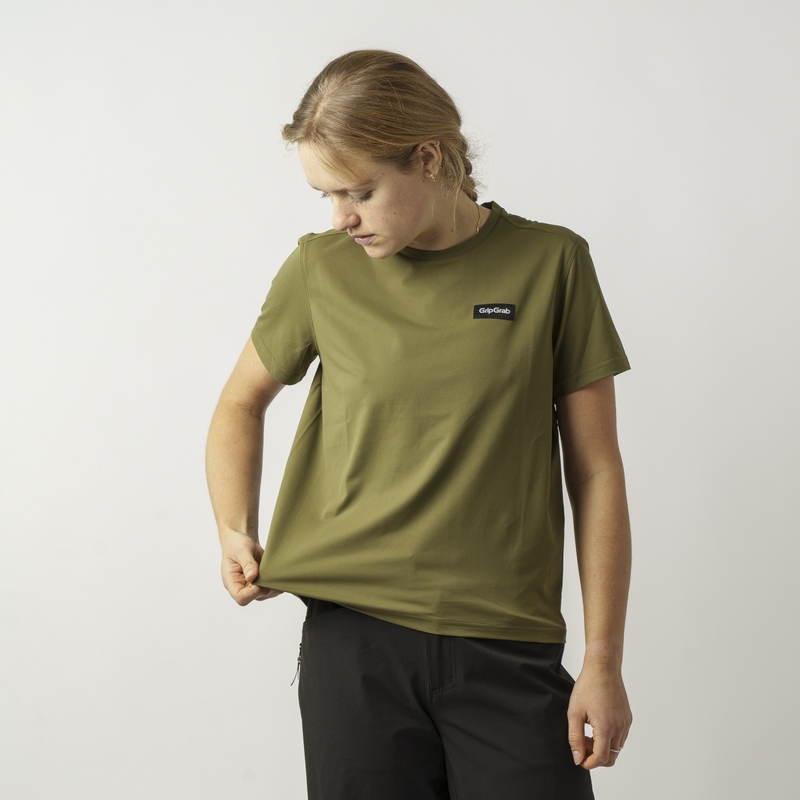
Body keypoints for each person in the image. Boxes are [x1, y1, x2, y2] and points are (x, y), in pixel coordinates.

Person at [206, 49, 633, 800]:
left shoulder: (552, 263)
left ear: (428, 159)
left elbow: (595, 470)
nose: (341, 218)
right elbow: (240, 402)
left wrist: (603, 658)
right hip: (353, 644)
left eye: (360, 192)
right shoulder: (319, 269)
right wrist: (234, 527)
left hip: (508, 643)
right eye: (327, 195)